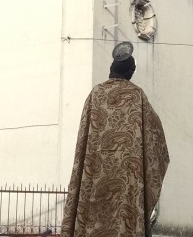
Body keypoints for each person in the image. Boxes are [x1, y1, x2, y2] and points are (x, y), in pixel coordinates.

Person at [61, 42, 169, 237]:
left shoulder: (96, 93)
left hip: (94, 171)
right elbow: (156, 138)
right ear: (130, 72)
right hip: (128, 176)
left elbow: (83, 139)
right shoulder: (136, 95)